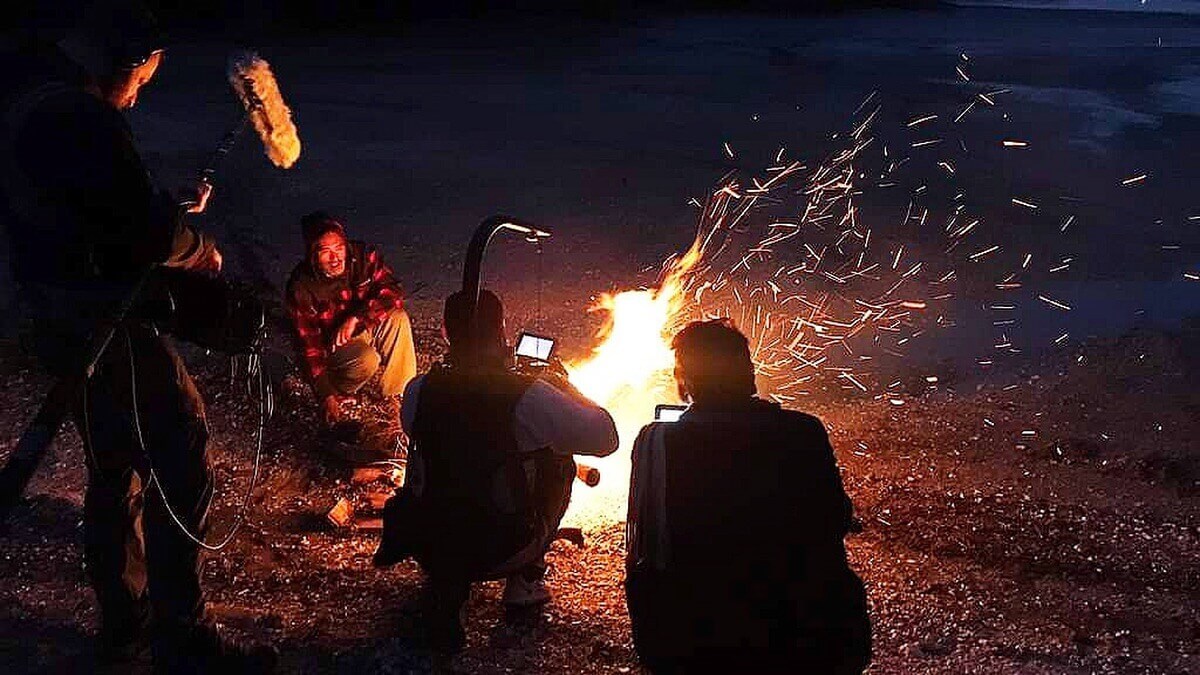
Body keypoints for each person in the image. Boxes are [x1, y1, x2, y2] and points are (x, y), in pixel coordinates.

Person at [0, 3, 275, 672]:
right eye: (145, 75)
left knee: (113, 460)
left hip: (58, 313)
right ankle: (182, 635)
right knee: (180, 442)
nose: (145, 88)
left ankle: (125, 622)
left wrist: (159, 206)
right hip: (101, 320)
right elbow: (147, 233)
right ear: (120, 61)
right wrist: (197, 247)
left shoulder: (37, 104)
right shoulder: (83, 119)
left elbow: (105, 208)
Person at [373, 289, 618, 653]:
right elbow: (605, 439)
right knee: (559, 460)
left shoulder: (419, 390)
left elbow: (419, 433)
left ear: (445, 332)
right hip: (502, 545)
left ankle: (446, 584)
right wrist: (564, 387)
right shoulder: (528, 396)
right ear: (502, 330)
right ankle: (525, 579)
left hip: (431, 540)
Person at [625, 319, 871, 674]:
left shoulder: (656, 444)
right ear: (749, 373)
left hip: (697, 635)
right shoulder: (803, 431)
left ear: (684, 383)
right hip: (801, 631)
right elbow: (832, 517)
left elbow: (643, 547)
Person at [285, 211, 417, 436]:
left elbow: (393, 291)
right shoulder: (301, 287)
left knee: (398, 318)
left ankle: (399, 398)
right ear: (312, 255)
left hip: (362, 323)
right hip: (335, 346)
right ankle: (341, 389)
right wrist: (325, 394)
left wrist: (357, 317)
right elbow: (308, 348)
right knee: (367, 360)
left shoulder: (363, 257)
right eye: (325, 252)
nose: (335, 258)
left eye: (338, 248)